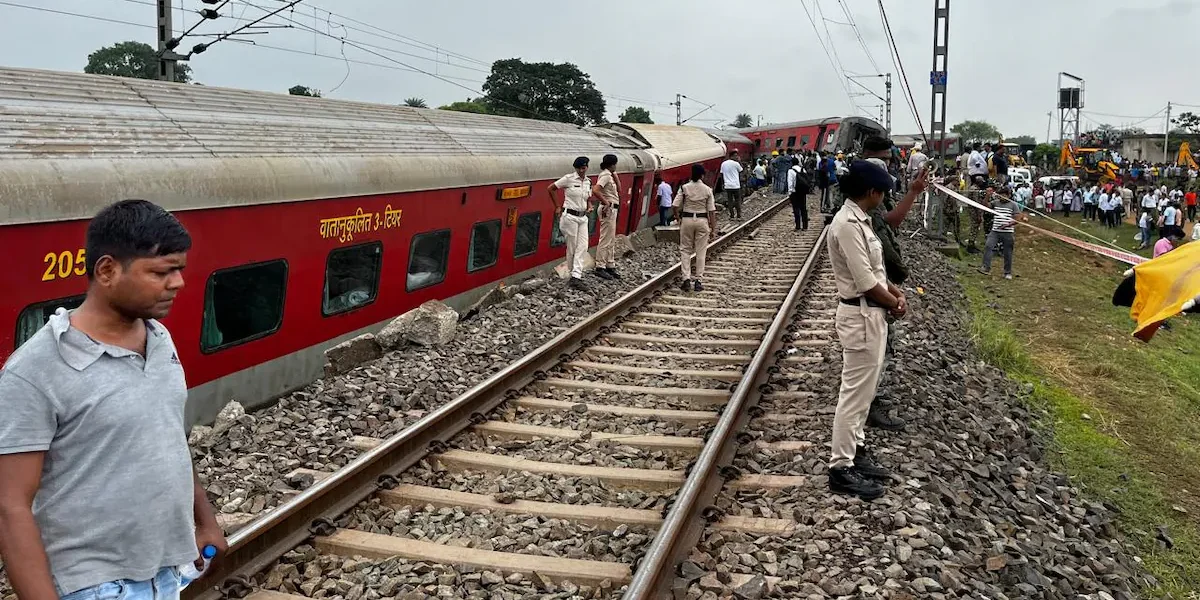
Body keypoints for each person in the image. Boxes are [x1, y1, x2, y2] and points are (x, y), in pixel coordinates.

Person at [0, 200, 227, 600]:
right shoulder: (35, 370)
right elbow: (10, 506)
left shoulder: (159, 339)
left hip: (166, 573)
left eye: (179, 270)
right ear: (107, 270)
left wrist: (204, 521)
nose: (178, 283)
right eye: (161, 272)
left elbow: (167, 438)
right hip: (96, 587)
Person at [826, 160, 924, 500]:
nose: (884, 198)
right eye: (883, 192)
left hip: (871, 316)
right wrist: (894, 302)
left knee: (864, 394)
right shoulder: (848, 225)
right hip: (861, 316)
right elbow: (866, 282)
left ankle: (856, 451)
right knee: (854, 395)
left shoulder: (861, 220)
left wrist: (894, 294)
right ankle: (840, 467)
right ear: (872, 192)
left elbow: (876, 272)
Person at [548, 156, 597, 290]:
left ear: (587, 167)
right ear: (576, 168)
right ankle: (573, 275)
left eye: (584, 168)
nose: (582, 170)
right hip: (570, 217)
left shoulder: (588, 182)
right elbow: (551, 188)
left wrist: (589, 205)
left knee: (583, 245)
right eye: (579, 168)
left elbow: (587, 197)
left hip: (582, 217)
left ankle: (576, 276)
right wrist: (557, 206)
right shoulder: (568, 179)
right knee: (572, 247)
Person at [673, 163, 718, 292]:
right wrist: (713, 228)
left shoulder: (684, 188)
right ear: (702, 175)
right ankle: (698, 280)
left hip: (687, 220)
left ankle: (686, 279)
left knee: (685, 250)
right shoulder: (707, 190)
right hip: (702, 220)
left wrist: (678, 218)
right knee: (701, 251)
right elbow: (711, 211)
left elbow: (675, 206)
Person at [978, 190, 1026, 279]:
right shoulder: (995, 203)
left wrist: (1007, 225)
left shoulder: (1013, 205)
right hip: (995, 231)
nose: (1002, 197)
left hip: (1008, 232)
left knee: (1007, 252)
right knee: (988, 246)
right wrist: (987, 196)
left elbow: (1017, 219)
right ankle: (985, 267)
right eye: (1000, 195)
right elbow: (985, 206)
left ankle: (1007, 272)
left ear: (1009, 195)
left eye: (1004, 195)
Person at [592, 154, 622, 281]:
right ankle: (600, 266)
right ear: (613, 164)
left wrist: (615, 175)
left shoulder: (610, 175)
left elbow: (619, 189)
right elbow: (596, 190)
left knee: (610, 239)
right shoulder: (605, 175)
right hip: (608, 209)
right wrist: (605, 202)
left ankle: (610, 264)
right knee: (605, 238)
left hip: (612, 209)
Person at [787, 156, 810, 230]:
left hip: (794, 192)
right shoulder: (803, 170)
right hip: (802, 192)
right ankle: (805, 226)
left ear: (792, 163)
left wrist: (790, 192)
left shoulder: (791, 171)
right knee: (803, 208)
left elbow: (790, 182)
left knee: (796, 209)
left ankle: (798, 226)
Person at [721, 150, 744, 219]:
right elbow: (741, 171)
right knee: (737, 200)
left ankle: (732, 216)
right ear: (731, 156)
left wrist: (723, 184)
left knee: (730, 200)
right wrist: (739, 161)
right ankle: (739, 216)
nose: (737, 157)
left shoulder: (723, 164)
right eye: (735, 155)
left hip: (727, 185)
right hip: (736, 185)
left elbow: (721, 174)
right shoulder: (736, 164)